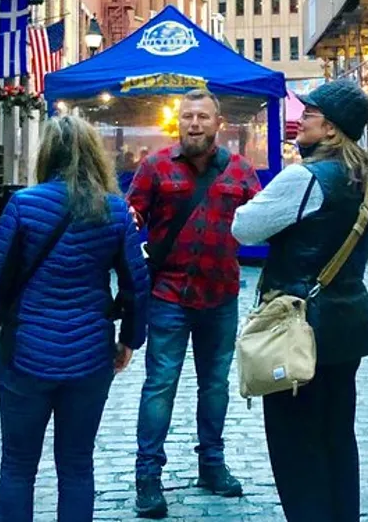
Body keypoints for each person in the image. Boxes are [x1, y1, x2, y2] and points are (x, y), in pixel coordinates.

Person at [0, 115, 151, 522]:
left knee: (17, 465)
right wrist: (130, 338)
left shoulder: (24, 204)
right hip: (90, 356)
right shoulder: (113, 210)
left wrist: (15, 317)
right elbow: (136, 284)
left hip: (26, 355)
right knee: (77, 465)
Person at [232, 79, 368, 522]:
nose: (300, 121)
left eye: (309, 115)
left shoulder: (305, 177)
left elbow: (245, 226)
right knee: (337, 437)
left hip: (300, 326)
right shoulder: (363, 177)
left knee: (296, 444)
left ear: (331, 130)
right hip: (346, 322)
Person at [127, 89, 261, 519]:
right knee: (160, 385)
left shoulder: (240, 171)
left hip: (220, 294)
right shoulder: (155, 167)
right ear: (178, 122)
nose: (195, 124)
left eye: (203, 116)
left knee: (215, 385)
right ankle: (148, 475)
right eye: (188, 117)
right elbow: (132, 220)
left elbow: (260, 222)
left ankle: (212, 464)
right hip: (168, 294)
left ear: (218, 124)